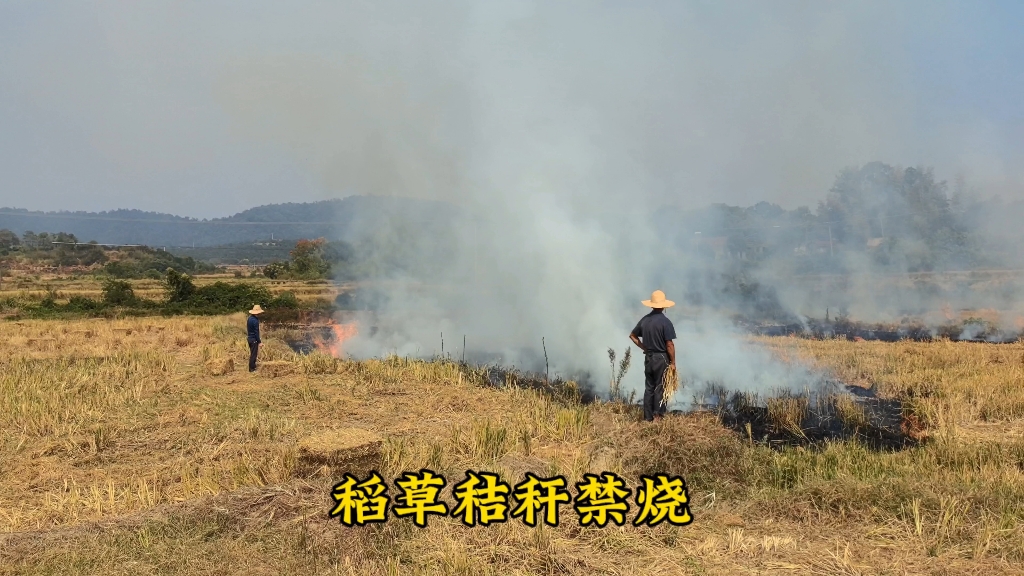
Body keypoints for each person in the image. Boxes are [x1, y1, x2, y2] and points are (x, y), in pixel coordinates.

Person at [629, 290, 677, 422]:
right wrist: (673, 362)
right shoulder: (665, 322)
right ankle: (657, 417)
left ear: (651, 305)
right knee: (660, 387)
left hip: (649, 358)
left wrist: (644, 347)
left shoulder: (644, 320)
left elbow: (632, 335)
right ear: (663, 306)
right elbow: (669, 345)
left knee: (649, 388)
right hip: (661, 358)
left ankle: (647, 418)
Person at [247, 304, 264, 372]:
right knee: (254, 354)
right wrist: (259, 342)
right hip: (254, 339)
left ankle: (252, 367)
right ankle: (252, 368)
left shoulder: (249, 318)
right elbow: (256, 332)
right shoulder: (255, 321)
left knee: (252, 353)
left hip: (249, 338)